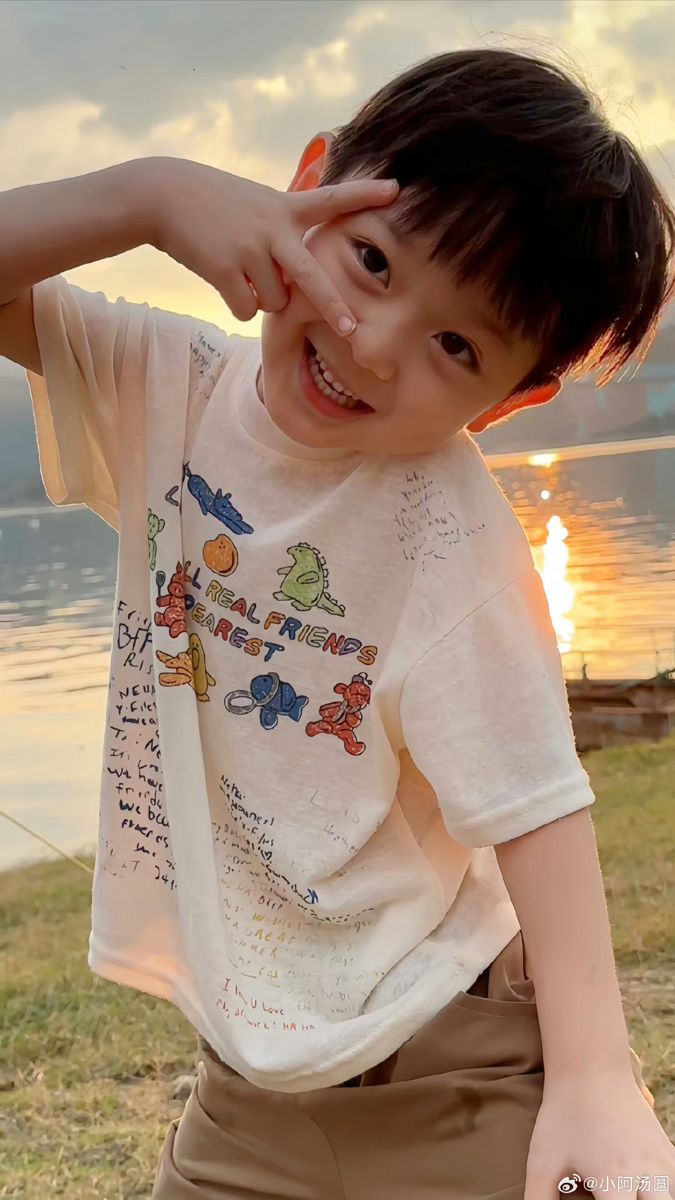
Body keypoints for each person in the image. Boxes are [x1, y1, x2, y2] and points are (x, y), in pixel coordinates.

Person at [0, 46, 673, 1200]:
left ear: (508, 403)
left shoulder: (447, 535)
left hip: (453, 1065)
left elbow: (538, 810)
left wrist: (597, 1079)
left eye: (456, 346)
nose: (373, 342)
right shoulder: (162, 384)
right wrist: (154, 194)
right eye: (370, 260)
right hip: (246, 1092)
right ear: (308, 184)